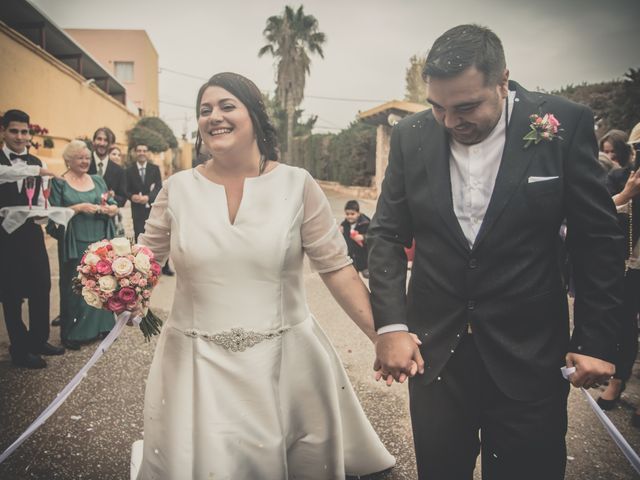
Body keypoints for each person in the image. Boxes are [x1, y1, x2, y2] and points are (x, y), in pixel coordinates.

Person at [368, 24, 624, 480]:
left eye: (466, 107)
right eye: (437, 107)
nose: (449, 122)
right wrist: (390, 325)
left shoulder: (563, 125)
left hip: (530, 352)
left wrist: (597, 340)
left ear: (503, 81)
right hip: (436, 356)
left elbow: (597, 239)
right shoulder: (411, 136)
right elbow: (386, 234)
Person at [131, 72, 395, 479]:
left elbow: (337, 268)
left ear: (254, 115)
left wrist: (383, 336)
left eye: (226, 106)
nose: (213, 116)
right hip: (193, 364)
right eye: (204, 110)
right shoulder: (177, 188)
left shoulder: (297, 183)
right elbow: (144, 261)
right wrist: (113, 283)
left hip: (285, 363)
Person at [0, 109, 64, 368]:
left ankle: (38, 339)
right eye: (14, 130)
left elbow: (40, 200)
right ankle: (19, 347)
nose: (20, 136)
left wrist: (45, 215)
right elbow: (6, 174)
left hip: (30, 233)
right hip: (4, 236)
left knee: (41, 286)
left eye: (24, 131)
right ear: (3, 131)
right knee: (11, 293)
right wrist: (37, 172)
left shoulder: (38, 161)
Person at [49, 140, 118, 349]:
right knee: (75, 288)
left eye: (87, 158)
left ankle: (103, 327)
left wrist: (111, 209)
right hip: (74, 242)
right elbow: (52, 217)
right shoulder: (59, 183)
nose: (85, 161)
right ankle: (73, 334)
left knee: (101, 284)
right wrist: (77, 208)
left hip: (98, 241)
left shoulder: (97, 180)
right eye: (80, 157)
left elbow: (111, 204)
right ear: (68, 160)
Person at [598, 129, 640, 425]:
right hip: (630, 263)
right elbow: (596, 213)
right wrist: (627, 194)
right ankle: (618, 378)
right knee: (624, 321)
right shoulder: (620, 177)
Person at [125, 143, 162, 242]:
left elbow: (159, 187)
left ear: (148, 153)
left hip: (152, 209)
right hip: (137, 210)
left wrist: (148, 197)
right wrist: (132, 196)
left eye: (144, 151)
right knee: (139, 236)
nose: (142, 153)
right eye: (139, 151)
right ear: (135, 153)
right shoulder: (128, 171)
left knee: (153, 237)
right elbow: (125, 189)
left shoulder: (155, 169)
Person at [88, 127, 128, 208]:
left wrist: (111, 196)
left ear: (112, 145)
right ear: (93, 141)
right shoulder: (84, 165)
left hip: (108, 218)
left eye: (106, 140)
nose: (102, 143)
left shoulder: (119, 171)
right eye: (99, 139)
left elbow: (122, 200)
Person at [339, 199, 370, 278]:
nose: (349, 216)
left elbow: (374, 236)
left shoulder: (366, 223)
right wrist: (339, 233)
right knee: (353, 277)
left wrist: (363, 237)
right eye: (347, 214)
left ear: (358, 213)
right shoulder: (344, 224)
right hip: (352, 258)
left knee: (368, 275)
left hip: (364, 258)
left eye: (352, 214)